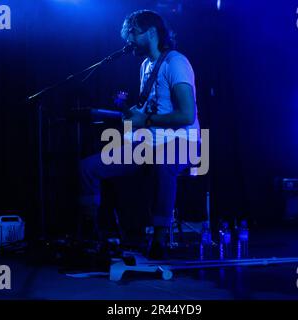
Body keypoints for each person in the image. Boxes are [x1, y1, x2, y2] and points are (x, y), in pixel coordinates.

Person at [78, 9, 201, 259]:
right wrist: (130, 115)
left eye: (133, 33)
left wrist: (144, 119)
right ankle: (93, 233)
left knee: (163, 163)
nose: (128, 40)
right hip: (148, 143)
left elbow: (186, 115)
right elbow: (148, 110)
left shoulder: (175, 62)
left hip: (184, 142)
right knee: (88, 167)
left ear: (152, 32)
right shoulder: (146, 65)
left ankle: (159, 238)